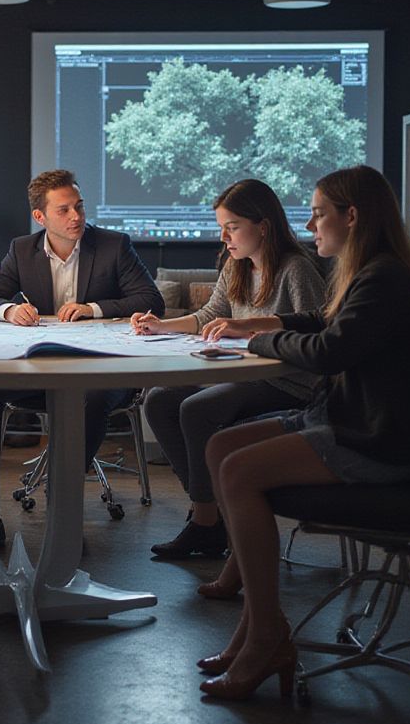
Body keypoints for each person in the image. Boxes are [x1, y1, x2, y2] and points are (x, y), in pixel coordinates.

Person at [193, 165, 410, 702]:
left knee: (238, 471)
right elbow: (325, 322)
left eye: (317, 213)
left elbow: (332, 349)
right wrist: (263, 324)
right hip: (363, 423)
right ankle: (253, 626)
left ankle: (265, 634)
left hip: (381, 442)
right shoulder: (378, 272)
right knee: (220, 445)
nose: (309, 223)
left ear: (351, 216)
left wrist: (257, 343)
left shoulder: (383, 278)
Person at [0, 168, 165, 556]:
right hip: (43, 371)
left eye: (79, 206)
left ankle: (64, 515)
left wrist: (92, 308)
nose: (76, 216)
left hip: (104, 372)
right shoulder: (22, 249)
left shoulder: (113, 246)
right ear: (40, 217)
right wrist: (8, 310)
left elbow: (151, 300)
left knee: (86, 400)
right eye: (64, 210)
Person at [132, 179, 326, 562]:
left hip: (290, 382)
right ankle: (210, 509)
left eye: (232, 227)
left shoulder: (296, 268)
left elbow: (315, 327)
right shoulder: (236, 266)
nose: (223, 237)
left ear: (263, 226)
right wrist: (161, 325)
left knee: (196, 408)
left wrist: (256, 327)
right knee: (159, 400)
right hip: (243, 374)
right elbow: (210, 315)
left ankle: (206, 522)